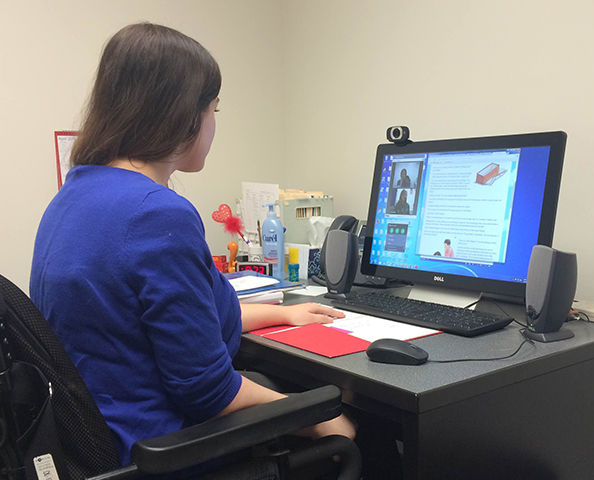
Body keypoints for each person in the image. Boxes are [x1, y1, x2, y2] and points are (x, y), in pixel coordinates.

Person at [29, 23, 354, 467]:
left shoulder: (75, 195)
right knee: (354, 427)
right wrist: (324, 419)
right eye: (213, 109)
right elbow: (209, 393)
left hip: (96, 439)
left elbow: (172, 322)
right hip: (163, 448)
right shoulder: (155, 214)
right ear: (183, 114)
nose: (213, 124)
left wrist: (284, 313)